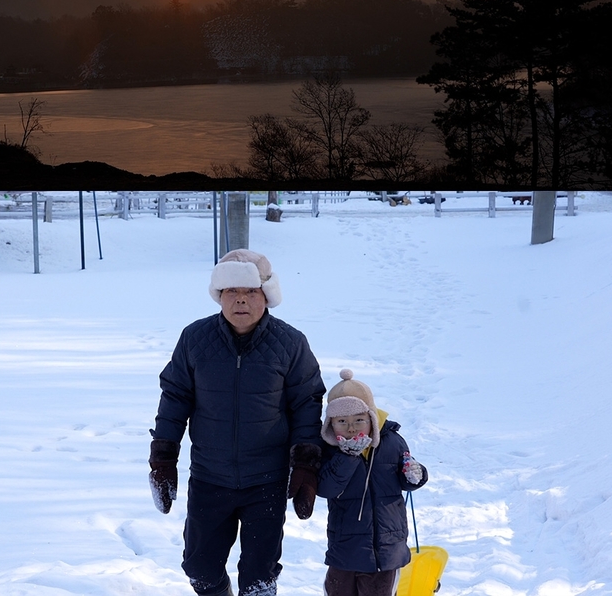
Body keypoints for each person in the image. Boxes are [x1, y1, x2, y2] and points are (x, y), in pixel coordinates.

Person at [148, 249, 326, 596]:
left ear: (266, 296)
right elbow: (174, 397)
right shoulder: (194, 339)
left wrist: (306, 467)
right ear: (220, 296)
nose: (240, 300)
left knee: (259, 577)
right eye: (232, 292)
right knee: (200, 569)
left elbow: (307, 404)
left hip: (267, 481)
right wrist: (163, 458)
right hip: (210, 477)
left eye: (250, 292)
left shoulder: (290, 343)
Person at [317, 369, 428, 596]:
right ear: (330, 424)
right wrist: (347, 456)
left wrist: (415, 475)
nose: (351, 428)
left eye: (359, 420)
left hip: (387, 548)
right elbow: (326, 487)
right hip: (345, 548)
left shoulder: (393, 442)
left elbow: (406, 480)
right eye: (342, 421)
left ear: (371, 417)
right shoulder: (328, 451)